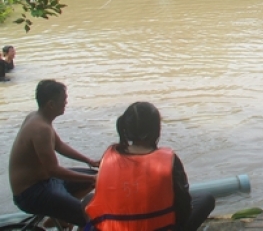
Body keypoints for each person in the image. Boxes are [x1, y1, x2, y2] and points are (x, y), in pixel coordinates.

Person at [85, 102, 215, 231]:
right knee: (205, 198)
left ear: (125, 128)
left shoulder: (108, 158)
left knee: (90, 198)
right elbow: (184, 208)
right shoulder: (169, 160)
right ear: (156, 130)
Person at [9, 80, 99, 228]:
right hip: (31, 193)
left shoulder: (39, 117)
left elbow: (59, 145)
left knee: (91, 180)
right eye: (63, 100)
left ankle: (61, 216)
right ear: (51, 104)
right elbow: (54, 170)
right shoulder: (40, 129)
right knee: (89, 215)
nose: (66, 103)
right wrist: (94, 177)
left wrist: (89, 161)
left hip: (46, 181)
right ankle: (69, 216)